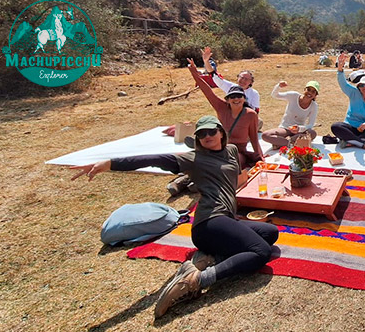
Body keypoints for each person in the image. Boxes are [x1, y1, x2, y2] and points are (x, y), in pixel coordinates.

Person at [70, 115, 279, 318]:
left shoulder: (231, 150)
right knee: (260, 252)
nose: (207, 136)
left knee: (270, 233)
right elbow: (153, 159)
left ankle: (210, 256)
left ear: (221, 133)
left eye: (211, 131)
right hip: (209, 222)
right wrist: (109, 164)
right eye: (201, 134)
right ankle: (197, 280)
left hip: (226, 219)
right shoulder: (194, 159)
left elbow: (236, 178)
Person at [189, 59, 264, 168]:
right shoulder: (221, 107)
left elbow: (254, 138)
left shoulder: (250, 115)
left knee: (230, 162)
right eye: (232, 96)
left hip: (237, 152)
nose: (236, 99)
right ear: (228, 100)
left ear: (244, 99)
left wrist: (259, 156)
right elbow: (207, 91)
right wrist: (194, 73)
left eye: (239, 96)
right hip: (218, 148)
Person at [262, 80, 320, 149]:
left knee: (312, 133)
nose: (310, 93)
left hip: (299, 132)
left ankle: (282, 142)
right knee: (265, 135)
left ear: (315, 95)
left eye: (313, 92)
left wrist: (299, 128)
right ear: (304, 89)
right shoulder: (293, 95)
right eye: (308, 89)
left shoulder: (314, 106)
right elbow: (275, 95)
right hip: (285, 128)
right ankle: (290, 142)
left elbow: (310, 124)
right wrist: (278, 86)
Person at [202, 47, 260, 113]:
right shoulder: (231, 87)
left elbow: (256, 111)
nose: (243, 81)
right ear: (237, 78)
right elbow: (214, 75)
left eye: (246, 79)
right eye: (241, 77)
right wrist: (206, 61)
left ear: (251, 82)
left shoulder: (254, 93)